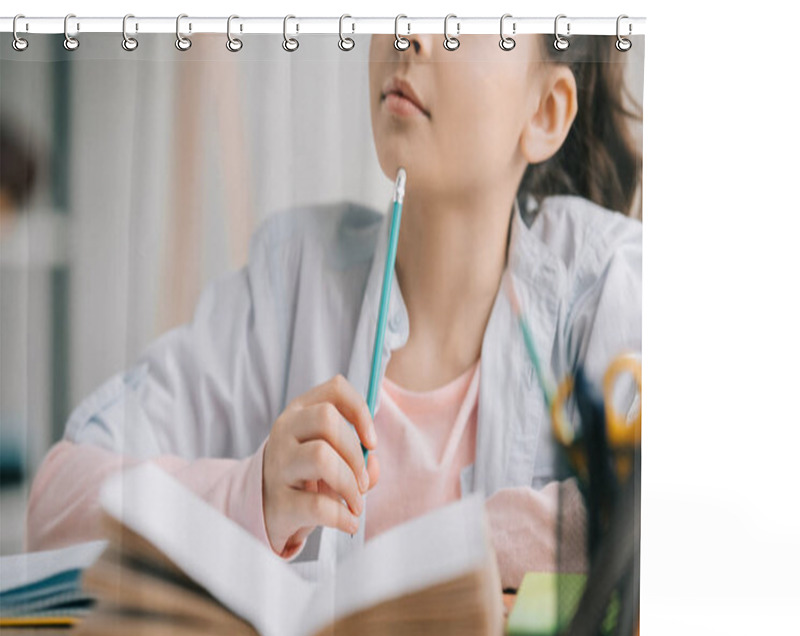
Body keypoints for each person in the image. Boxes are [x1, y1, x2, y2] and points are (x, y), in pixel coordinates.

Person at [25, 33, 641, 590]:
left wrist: (452, 548)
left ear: (546, 111)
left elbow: (659, 517)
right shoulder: (291, 276)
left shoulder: (606, 278)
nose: (409, 33)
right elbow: (54, 505)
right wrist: (253, 494)